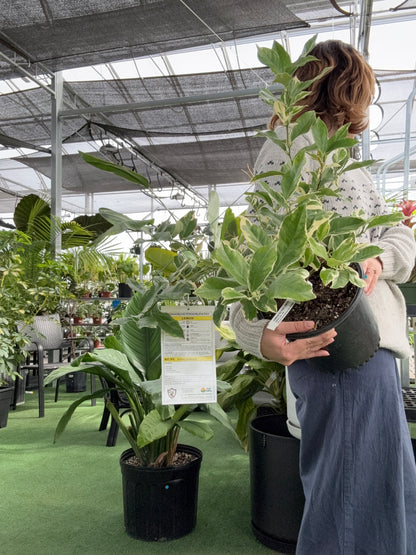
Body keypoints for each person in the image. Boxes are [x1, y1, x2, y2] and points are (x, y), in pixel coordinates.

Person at [230, 40, 416, 554]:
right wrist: (257, 336)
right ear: (348, 88)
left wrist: (379, 257)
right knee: (352, 511)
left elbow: (400, 237)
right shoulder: (295, 149)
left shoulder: (340, 159)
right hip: (344, 355)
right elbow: (256, 261)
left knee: (373, 501)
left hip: (359, 353)